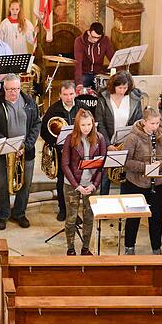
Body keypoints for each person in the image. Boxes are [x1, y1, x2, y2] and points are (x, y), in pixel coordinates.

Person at [0, 74, 41, 230]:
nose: (13, 92)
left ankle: (19, 213)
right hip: (2, 152)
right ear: (4, 88)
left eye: (16, 89)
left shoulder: (29, 101)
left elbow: (36, 124)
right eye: (10, 89)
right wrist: (10, 147)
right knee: (2, 184)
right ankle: (2, 214)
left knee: (25, 183)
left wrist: (26, 145)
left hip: (26, 152)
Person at [121, 107, 162, 255]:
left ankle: (156, 248)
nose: (155, 127)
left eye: (158, 123)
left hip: (159, 184)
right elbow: (125, 162)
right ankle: (129, 247)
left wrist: (160, 165)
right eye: (152, 123)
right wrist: (146, 167)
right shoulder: (133, 137)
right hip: (136, 184)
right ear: (144, 122)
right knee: (133, 218)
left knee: (156, 218)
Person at [61, 108, 107, 256]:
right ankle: (71, 248)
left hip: (91, 184)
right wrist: (77, 186)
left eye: (89, 124)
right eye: (83, 125)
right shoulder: (70, 138)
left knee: (89, 217)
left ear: (93, 123)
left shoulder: (99, 138)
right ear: (77, 125)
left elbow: (102, 165)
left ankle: (85, 248)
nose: (86, 128)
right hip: (72, 184)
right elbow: (65, 164)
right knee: (71, 218)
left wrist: (94, 185)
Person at [94, 70, 143, 195]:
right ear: (113, 86)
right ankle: (103, 206)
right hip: (108, 143)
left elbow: (138, 122)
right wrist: (108, 144)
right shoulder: (104, 98)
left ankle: (124, 208)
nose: (122, 91)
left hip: (128, 143)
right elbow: (100, 123)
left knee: (126, 177)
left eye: (125, 88)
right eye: (120, 87)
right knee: (105, 177)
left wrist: (128, 143)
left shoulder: (134, 99)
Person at [40, 81, 78, 221]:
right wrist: (56, 143)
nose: (69, 97)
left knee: (77, 181)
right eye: (65, 94)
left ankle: (74, 211)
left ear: (75, 93)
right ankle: (63, 209)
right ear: (60, 95)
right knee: (62, 181)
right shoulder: (53, 110)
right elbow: (44, 132)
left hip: (78, 151)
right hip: (61, 152)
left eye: (71, 94)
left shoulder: (81, 108)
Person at [73, 22, 115, 92]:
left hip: (99, 74)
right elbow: (78, 64)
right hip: (84, 74)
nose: (96, 40)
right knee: (75, 89)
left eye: (98, 37)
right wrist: (79, 83)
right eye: (94, 37)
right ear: (89, 32)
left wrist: (122, 76)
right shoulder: (79, 41)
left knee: (110, 88)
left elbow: (113, 59)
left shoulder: (105, 41)